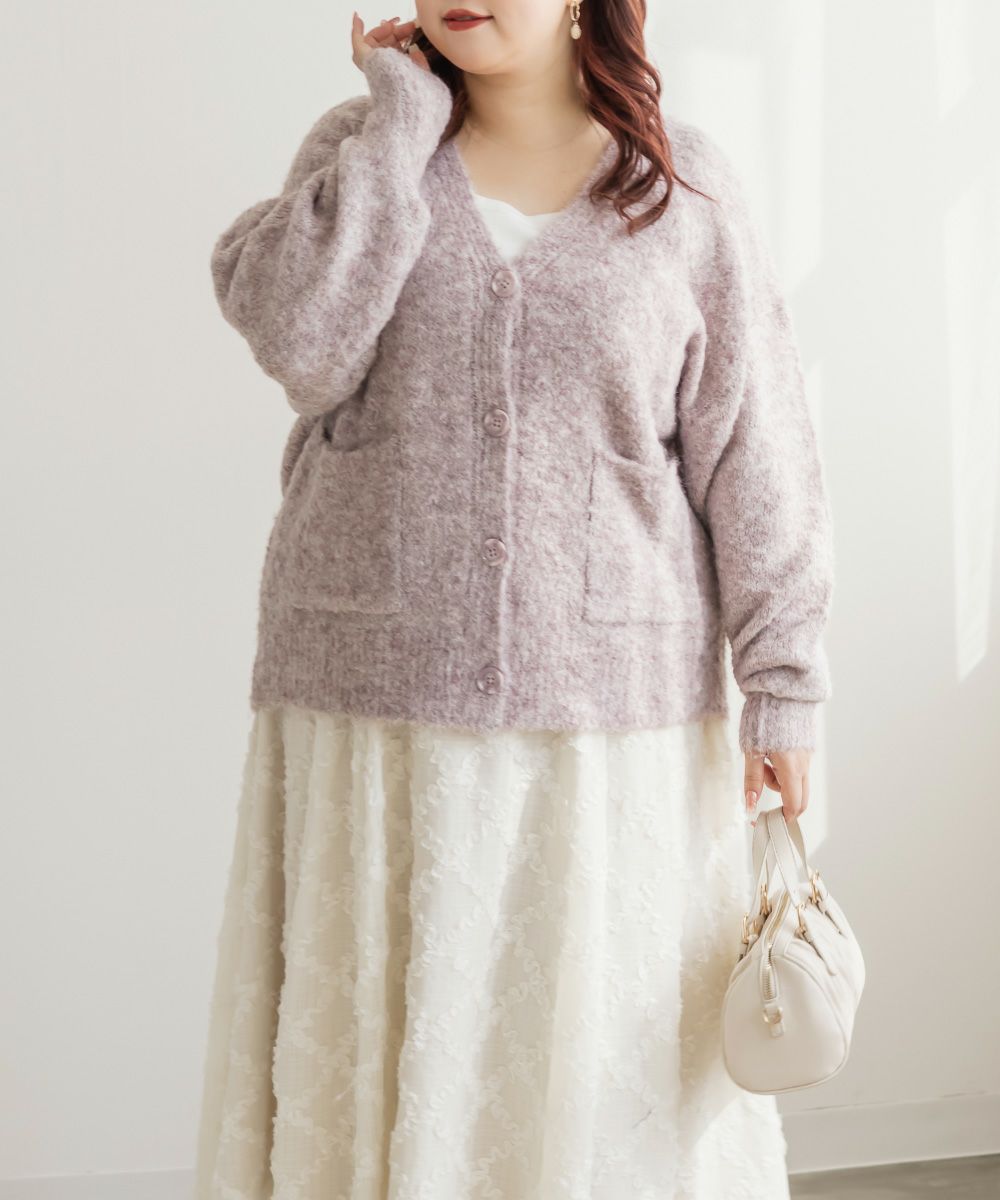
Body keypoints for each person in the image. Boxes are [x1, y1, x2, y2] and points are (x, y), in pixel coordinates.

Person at [193, 3, 834, 1197]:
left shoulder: (680, 187)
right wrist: (398, 117)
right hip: (375, 721)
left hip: (607, 733)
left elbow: (759, 452)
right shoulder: (361, 148)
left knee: (585, 1077)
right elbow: (300, 343)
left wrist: (784, 684)